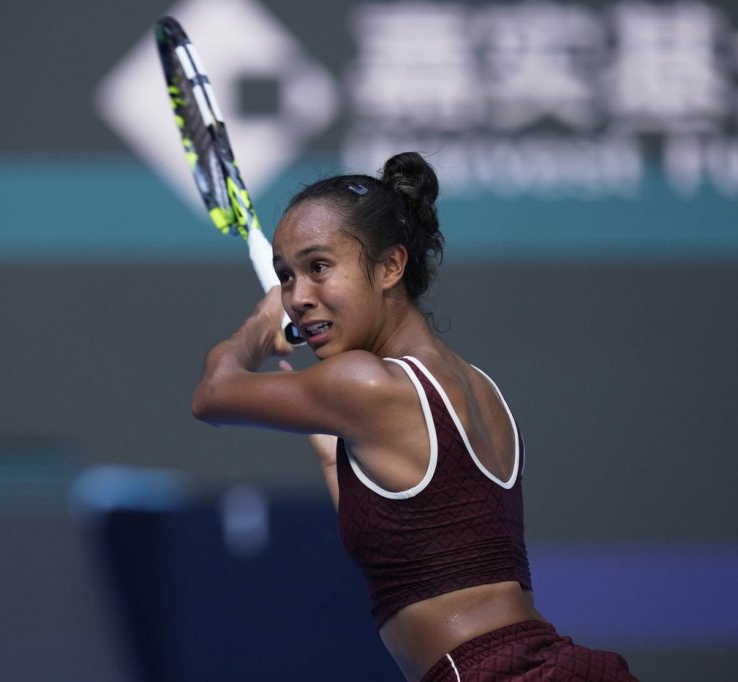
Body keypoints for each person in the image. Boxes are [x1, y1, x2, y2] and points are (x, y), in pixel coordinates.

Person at [191, 152, 637, 681]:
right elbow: (406, 550)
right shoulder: (478, 387)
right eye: (286, 277)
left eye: (318, 267)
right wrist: (329, 448)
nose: (297, 297)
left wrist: (261, 324)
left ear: (390, 267)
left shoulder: (363, 384)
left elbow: (213, 394)